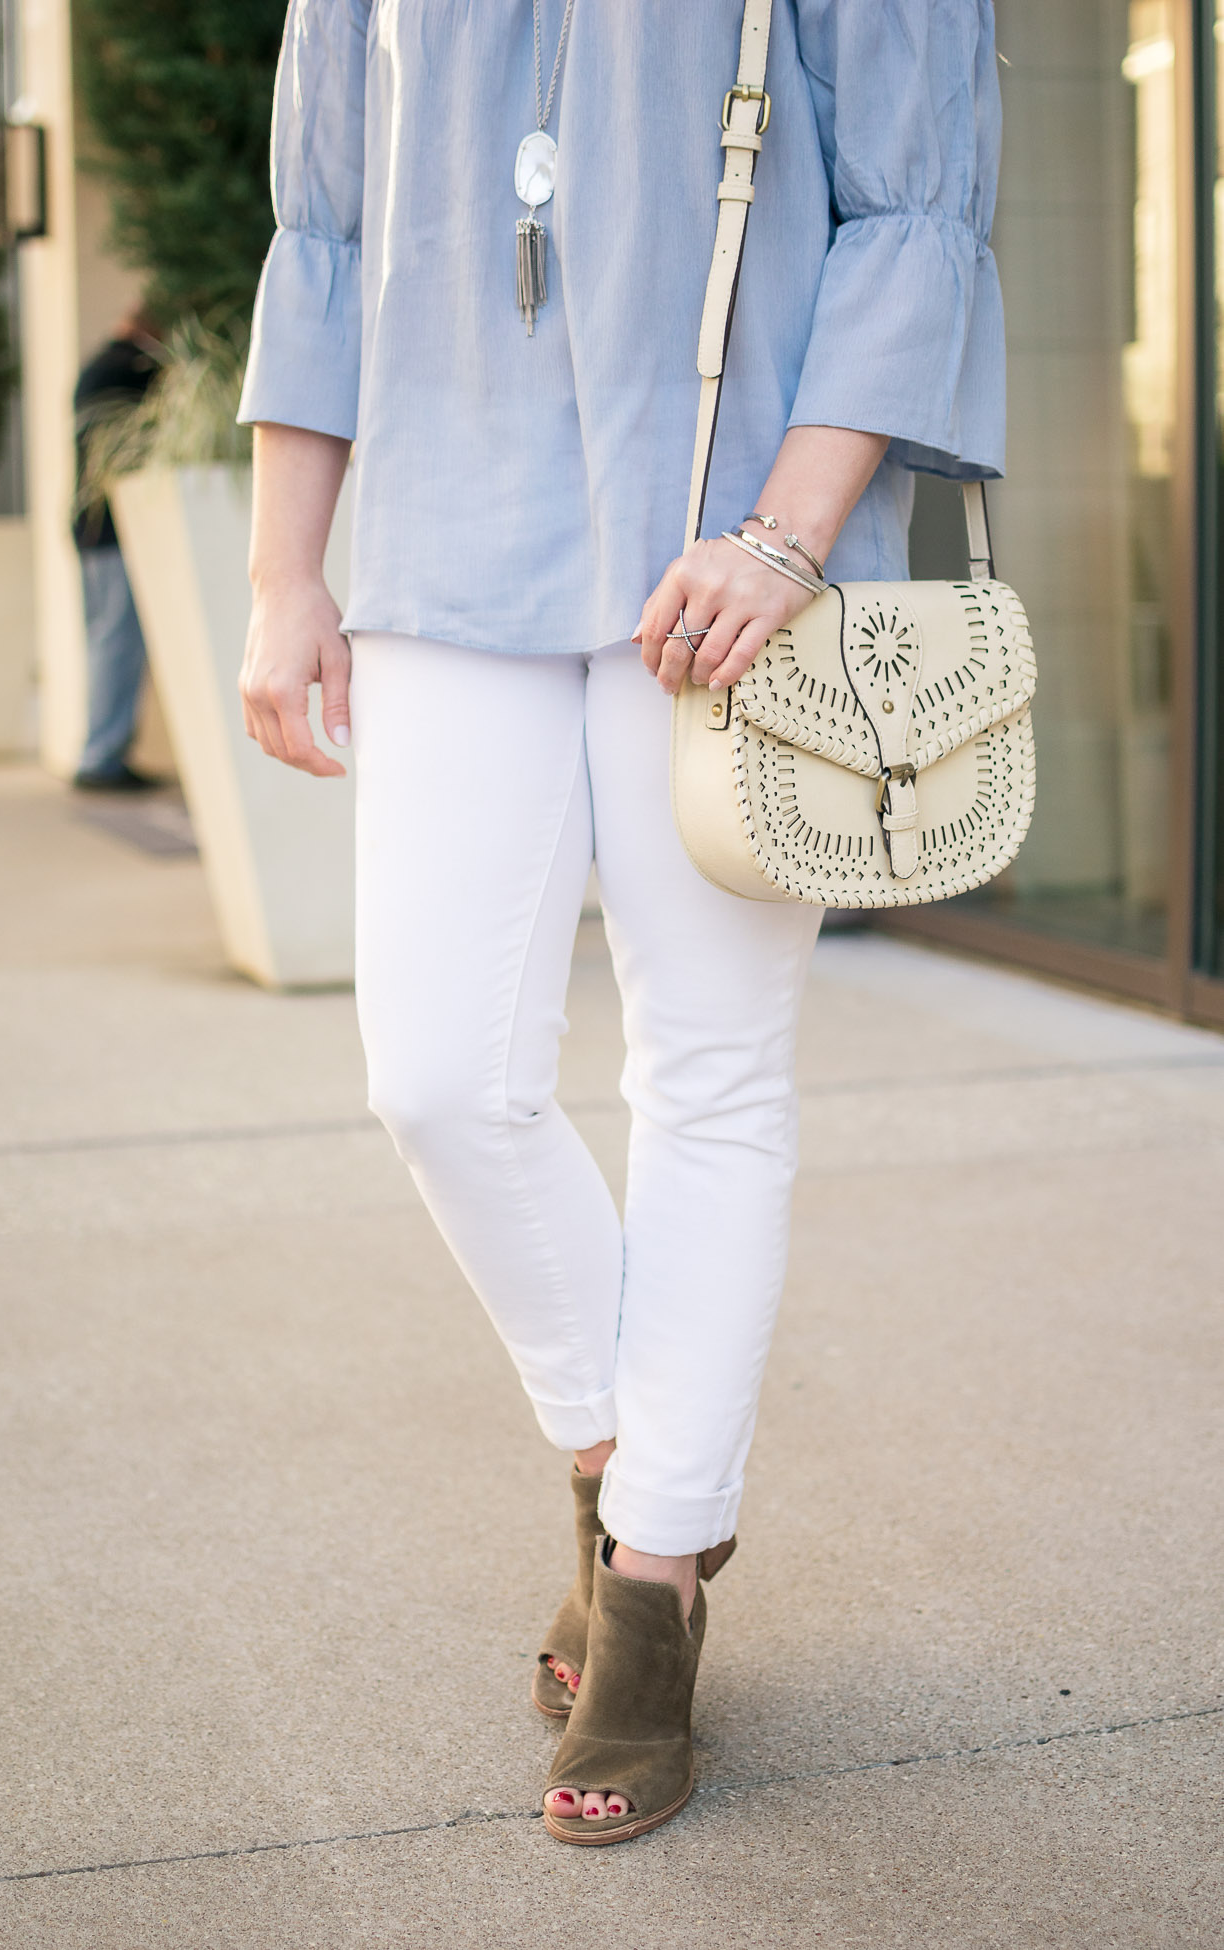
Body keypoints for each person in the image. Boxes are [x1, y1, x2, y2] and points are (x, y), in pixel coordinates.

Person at [236, 0, 1005, 1845]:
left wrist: (789, 533)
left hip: (735, 557)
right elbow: (326, 236)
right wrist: (283, 578)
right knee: (434, 1075)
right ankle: (635, 1459)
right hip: (445, 541)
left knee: (712, 1076)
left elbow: (915, 208)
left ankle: (648, 1587)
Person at [72, 310, 162, 792]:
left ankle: (101, 750)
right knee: (117, 643)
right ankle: (102, 758)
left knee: (105, 640)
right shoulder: (126, 370)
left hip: (91, 530)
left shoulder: (96, 369)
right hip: (110, 531)